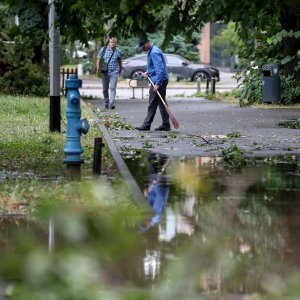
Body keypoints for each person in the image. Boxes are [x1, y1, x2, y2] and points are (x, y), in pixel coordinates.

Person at [135, 39, 170, 131]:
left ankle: (146, 125)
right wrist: (148, 72)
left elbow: (160, 69)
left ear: (147, 43)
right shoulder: (153, 50)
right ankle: (166, 125)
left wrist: (158, 84)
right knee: (162, 103)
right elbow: (155, 67)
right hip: (161, 79)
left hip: (159, 81)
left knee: (152, 103)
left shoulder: (154, 52)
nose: (142, 49)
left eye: (143, 46)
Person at [139, 153, 170, 232]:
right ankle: (161, 151)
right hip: (160, 187)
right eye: (144, 222)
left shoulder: (149, 216)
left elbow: (152, 199)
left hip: (156, 187)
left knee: (156, 165)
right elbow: (160, 200)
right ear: (148, 226)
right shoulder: (155, 217)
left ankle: (163, 151)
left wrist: (147, 194)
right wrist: (157, 184)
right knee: (153, 164)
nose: (143, 219)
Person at [96, 37, 122, 110]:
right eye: (111, 42)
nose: (113, 43)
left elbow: (119, 60)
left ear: (116, 43)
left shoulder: (118, 51)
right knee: (105, 89)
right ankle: (106, 102)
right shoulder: (103, 50)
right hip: (105, 72)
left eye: (114, 42)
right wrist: (98, 68)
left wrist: (120, 69)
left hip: (114, 72)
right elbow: (98, 59)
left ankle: (111, 103)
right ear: (109, 43)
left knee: (113, 87)